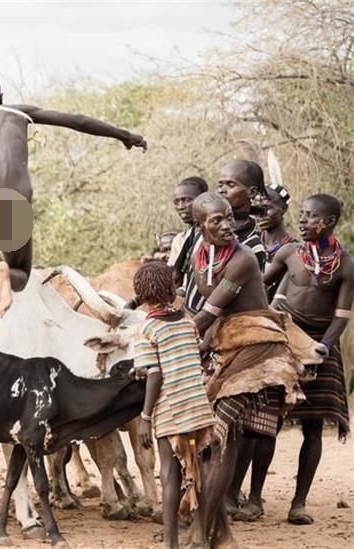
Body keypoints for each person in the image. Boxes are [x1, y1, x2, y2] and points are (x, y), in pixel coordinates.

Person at [0, 63, 147, 319]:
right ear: (1, 98)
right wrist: (124, 135)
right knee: (19, 277)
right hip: (12, 204)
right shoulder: (18, 112)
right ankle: (5, 273)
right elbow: (78, 121)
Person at [186, 192, 306, 548]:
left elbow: (207, 314)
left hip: (258, 350)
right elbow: (207, 309)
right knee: (215, 443)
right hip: (226, 350)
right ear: (200, 226)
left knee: (219, 437)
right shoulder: (199, 254)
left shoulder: (243, 259)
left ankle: (202, 532)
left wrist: (164, 338)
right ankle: (219, 533)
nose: (227, 225)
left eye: (228, 217)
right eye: (216, 221)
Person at [263, 193, 352, 525]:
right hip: (284, 339)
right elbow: (257, 284)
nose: (301, 220)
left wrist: (323, 347)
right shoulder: (289, 253)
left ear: (328, 222)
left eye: (310, 215)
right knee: (266, 420)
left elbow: (342, 315)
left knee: (312, 427)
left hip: (320, 346)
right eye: (301, 214)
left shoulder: (346, 265)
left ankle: (298, 503)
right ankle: (254, 498)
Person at [133, 262, 214, 549]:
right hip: (199, 408)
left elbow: (155, 374)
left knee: (170, 474)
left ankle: (170, 542)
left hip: (172, 411)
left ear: (141, 294)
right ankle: (201, 536)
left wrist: (145, 417)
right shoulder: (188, 322)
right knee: (199, 469)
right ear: (171, 288)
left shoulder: (147, 329)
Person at [228, 182, 296, 521]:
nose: (262, 213)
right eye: (256, 207)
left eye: (267, 207)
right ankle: (231, 491)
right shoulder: (242, 241)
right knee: (239, 421)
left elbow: (279, 297)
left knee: (265, 421)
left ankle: (255, 497)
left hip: (271, 333)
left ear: (283, 210)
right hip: (240, 333)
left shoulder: (291, 250)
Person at [167, 176, 208, 311]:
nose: (181, 207)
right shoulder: (184, 238)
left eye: (187, 200)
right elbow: (174, 278)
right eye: (176, 202)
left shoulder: (214, 234)